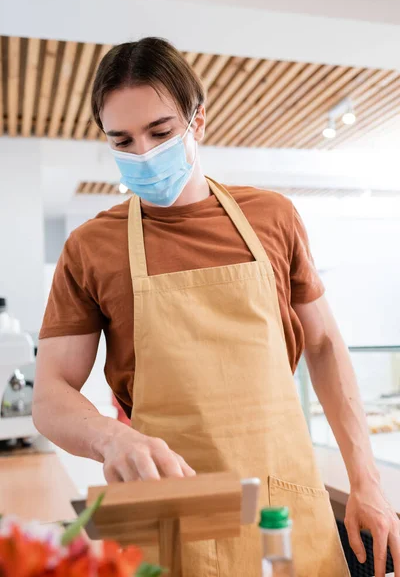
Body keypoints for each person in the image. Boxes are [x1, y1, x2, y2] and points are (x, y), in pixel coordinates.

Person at [33, 37, 400, 577]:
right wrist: (111, 437)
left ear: (196, 122)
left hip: (285, 505)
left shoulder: (272, 217)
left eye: (159, 133)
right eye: (123, 140)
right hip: (174, 519)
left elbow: (322, 346)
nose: (143, 154)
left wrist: (365, 478)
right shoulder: (92, 247)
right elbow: (50, 394)